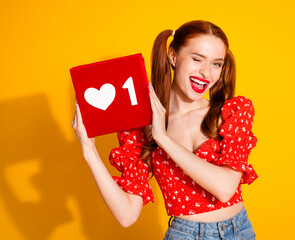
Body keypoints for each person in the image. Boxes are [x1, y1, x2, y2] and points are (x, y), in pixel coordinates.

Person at [71, 20, 258, 240]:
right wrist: (89, 151)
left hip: (239, 232)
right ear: (173, 56)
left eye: (216, 64)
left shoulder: (233, 112)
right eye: (197, 59)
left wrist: (162, 137)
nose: (206, 73)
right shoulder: (141, 123)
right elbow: (127, 215)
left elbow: (225, 189)